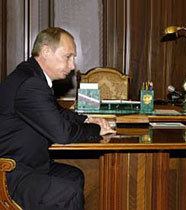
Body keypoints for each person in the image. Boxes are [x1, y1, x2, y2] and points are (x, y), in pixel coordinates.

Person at [0, 27, 115, 210]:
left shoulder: (33, 75)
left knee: (74, 176)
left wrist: (85, 119)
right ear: (46, 51)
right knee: (68, 192)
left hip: (28, 164)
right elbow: (62, 134)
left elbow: (56, 112)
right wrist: (96, 130)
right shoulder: (30, 83)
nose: (72, 66)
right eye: (68, 57)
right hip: (10, 172)